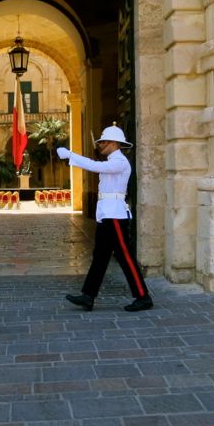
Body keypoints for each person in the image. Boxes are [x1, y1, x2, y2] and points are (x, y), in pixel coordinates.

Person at [56, 124, 153, 312]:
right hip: (107, 215)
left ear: (114, 143)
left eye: (104, 142)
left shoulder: (120, 162)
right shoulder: (111, 161)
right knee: (100, 257)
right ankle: (88, 296)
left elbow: (94, 166)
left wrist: (70, 155)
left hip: (115, 215)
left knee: (125, 257)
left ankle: (143, 296)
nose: (100, 145)